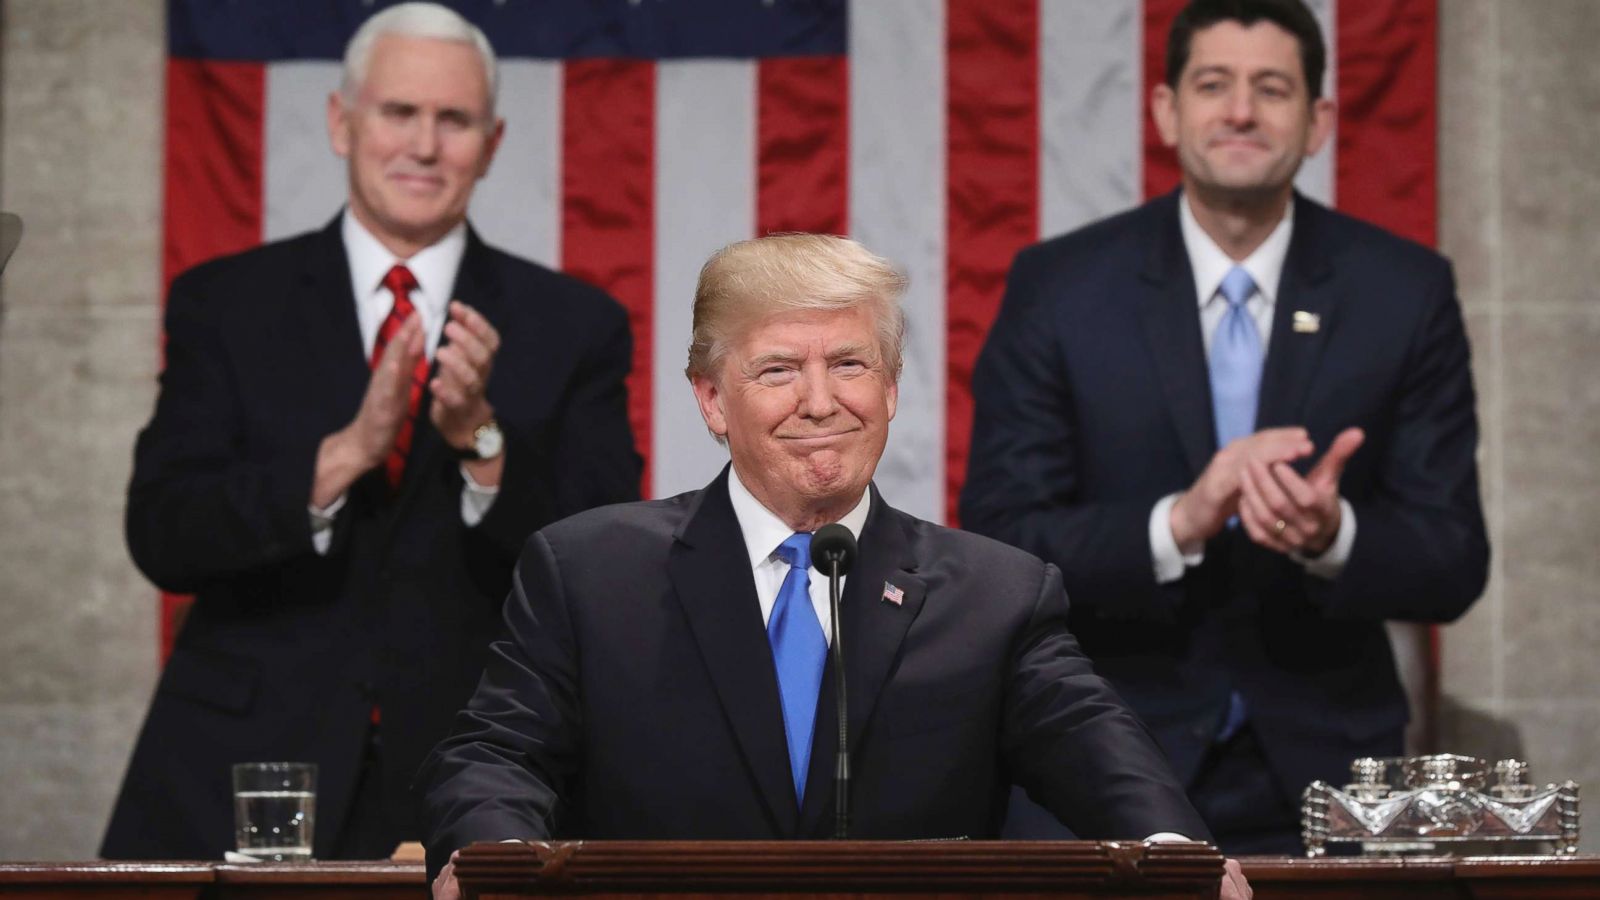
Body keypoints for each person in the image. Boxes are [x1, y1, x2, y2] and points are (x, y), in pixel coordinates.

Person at [418, 234, 1252, 900]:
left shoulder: (996, 595)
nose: (821, 402)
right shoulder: (590, 572)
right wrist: (497, 861)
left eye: (849, 365)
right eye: (778, 370)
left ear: (890, 387)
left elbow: (1096, 749)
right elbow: (495, 756)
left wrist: (1176, 857)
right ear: (712, 399)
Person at [102, 2, 641, 860]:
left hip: (477, 778)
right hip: (244, 770)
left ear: (492, 143)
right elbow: (164, 532)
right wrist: (345, 454)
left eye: (453, 120)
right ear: (341, 122)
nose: (424, 146)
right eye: (399, 112)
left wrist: (483, 443)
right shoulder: (226, 303)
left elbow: (608, 562)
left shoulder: (573, 324)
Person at [960, 0, 1488, 854]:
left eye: (1271, 88)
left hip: (1330, 783)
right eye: (1214, 84)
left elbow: (1454, 560)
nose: (1240, 110)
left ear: (1316, 122)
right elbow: (999, 538)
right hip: (1100, 768)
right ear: (1168, 110)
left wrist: (1333, 535)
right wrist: (1180, 522)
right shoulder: (1060, 289)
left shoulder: (1404, 291)